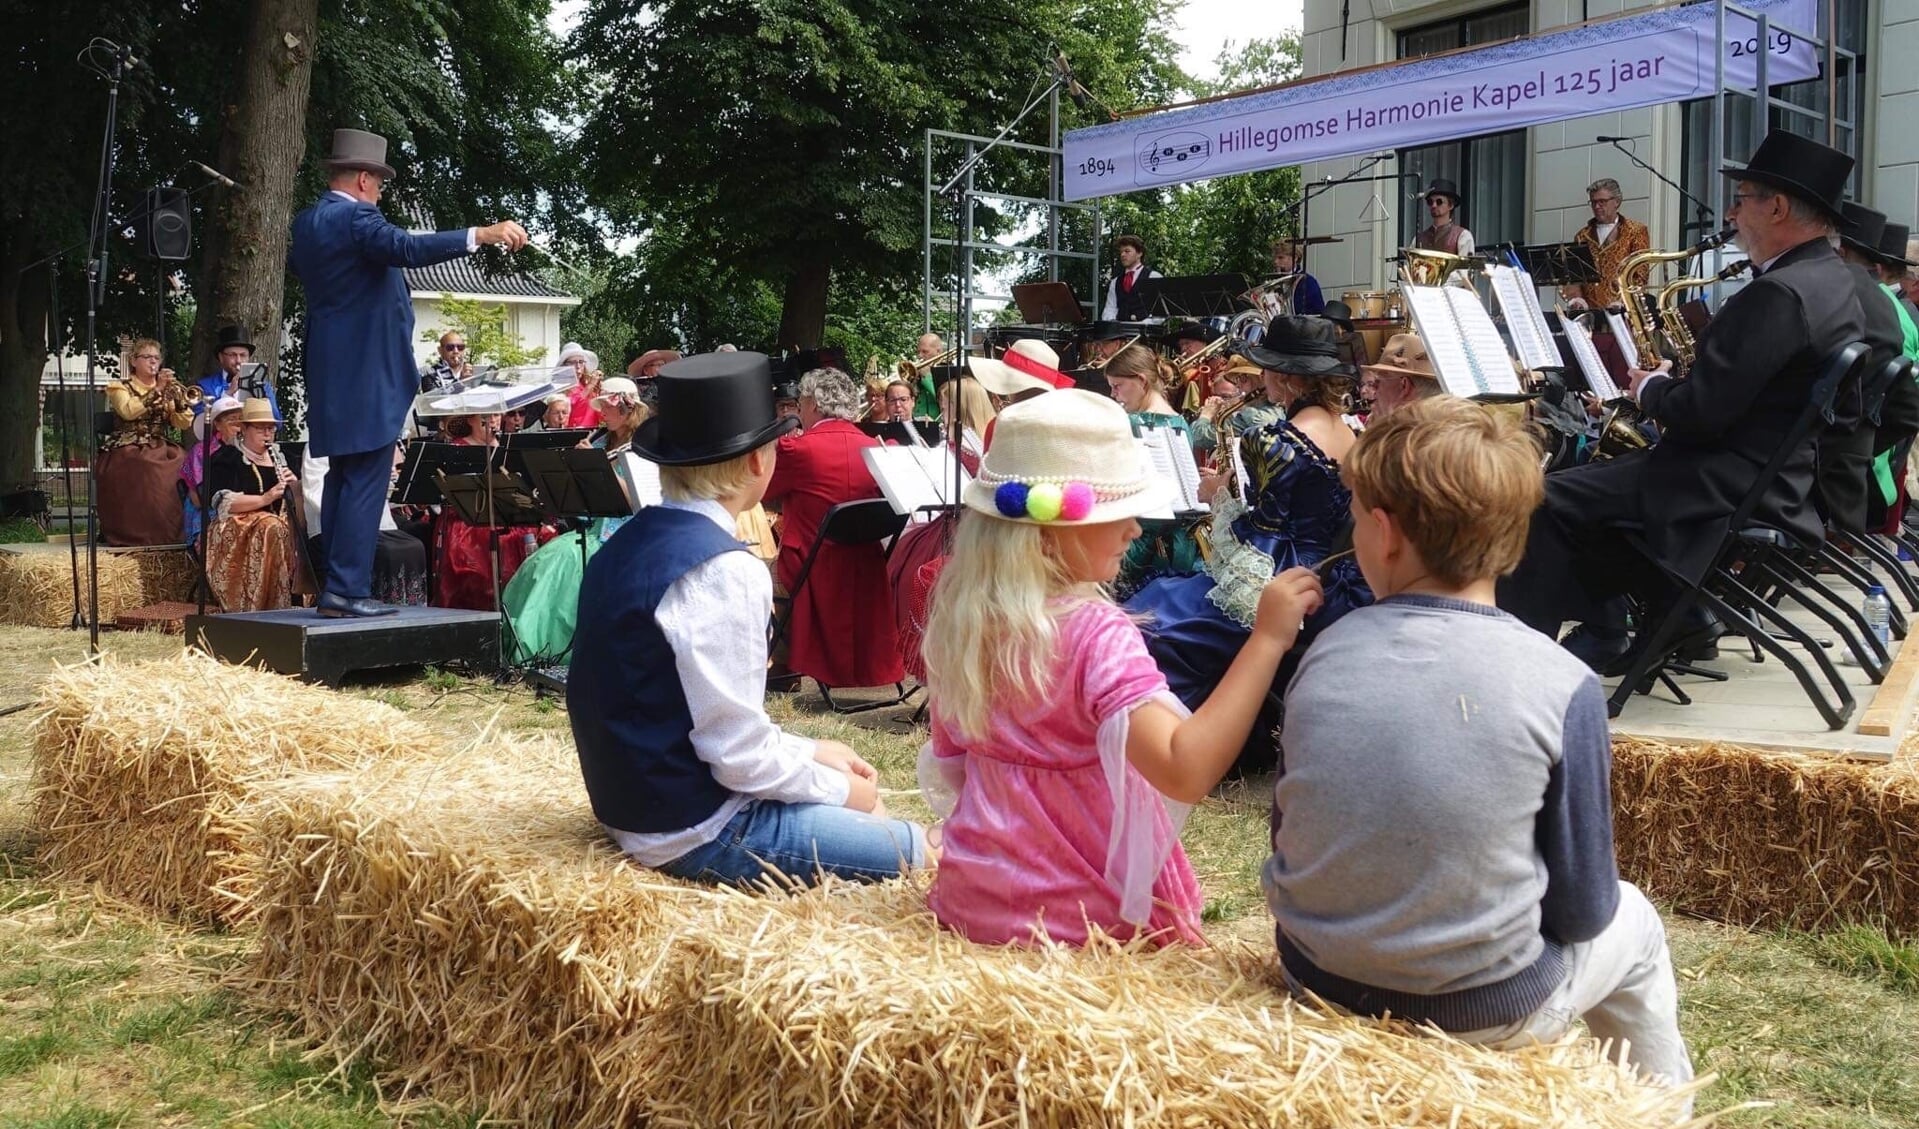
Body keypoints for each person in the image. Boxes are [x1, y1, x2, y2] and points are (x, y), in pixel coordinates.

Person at [1267, 397, 1693, 1108]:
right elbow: (1586, 905)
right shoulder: (1562, 680)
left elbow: (1291, 831)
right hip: (1485, 1011)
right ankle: (1661, 1111)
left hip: (1314, 975)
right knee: (1636, 921)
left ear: (1384, 532)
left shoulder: (1325, 650)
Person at [920, 388, 1324, 946]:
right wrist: (1266, 639)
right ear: (1049, 533)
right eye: (1118, 513)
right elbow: (1183, 768)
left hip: (974, 907)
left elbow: (952, 766)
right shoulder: (1094, 633)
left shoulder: (961, 621)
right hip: (1083, 926)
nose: (1135, 529)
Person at [1497, 130, 1867, 670]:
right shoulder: (1831, 281)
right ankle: (1677, 615)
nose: (1733, 213)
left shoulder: (1777, 295)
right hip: (1772, 476)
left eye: (1742, 199)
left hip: (1719, 482)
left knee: (1540, 497)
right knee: (1586, 491)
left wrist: (1650, 387)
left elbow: (1699, 415)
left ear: (1779, 207)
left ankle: (1521, 664)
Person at [568, 351, 931, 887]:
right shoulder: (724, 568)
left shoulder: (620, 547)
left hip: (634, 807)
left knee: (871, 815)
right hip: (699, 828)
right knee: (923, 849)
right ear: (760, 461)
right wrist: (840, 791)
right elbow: (737, 758)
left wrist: (811, 750)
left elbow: (705, 716)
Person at [289, 127, 528, 619]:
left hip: (331, 368)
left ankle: (338, 585)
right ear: (361, 179)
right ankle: (348, 591)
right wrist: (480, 235)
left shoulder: (308, 222)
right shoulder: (356, 219)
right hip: (366, 372)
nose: (380, 192)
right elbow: (406, 248)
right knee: (365, 480)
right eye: (378, 183)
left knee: (342, 476)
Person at [1125, 318, 1375, 769]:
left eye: (1266, 370)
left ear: (1284, 376)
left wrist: (1216, 492)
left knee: (1153, 613)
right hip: (1331, 576)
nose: (1261, 379)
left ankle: (1175, 743)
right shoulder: (1351, 433)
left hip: (1274, 573)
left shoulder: (1274, 438)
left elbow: (1266, 522)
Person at [764, 368, 903, 691]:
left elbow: (762, 492)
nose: (798, 410)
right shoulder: (876, 449)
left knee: (753, 571)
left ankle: (783, 666)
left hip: (811, 566)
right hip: (867, 566)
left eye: (799, 403)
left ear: (812, 404)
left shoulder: (798, 450)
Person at [503, 377, 655, 663]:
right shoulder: (601, 439)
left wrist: (596, 465)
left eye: (606, 407)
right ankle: (531, 646)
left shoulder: (644, 446)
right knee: (546, 561)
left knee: (567, 561)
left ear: (625, 409)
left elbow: (635, 499)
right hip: (592, 527)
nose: (601, 413)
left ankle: (562, 648)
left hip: (625, 531)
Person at [1103, 343, 1201, 598]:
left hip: (1140, 542)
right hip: (1180, 546)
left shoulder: (1129, 423)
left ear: (1141, 381)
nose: (1114, 395)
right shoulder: (1181, 423)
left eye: (1117, 386)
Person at [430, 412, 555, 610]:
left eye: (496, 415)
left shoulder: (508, 447)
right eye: (485, 416)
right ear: (470, 419)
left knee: (546, 533)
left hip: (509, 513)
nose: (492, 420)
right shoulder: (457, 449)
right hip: (469, 517)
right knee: (485, 541)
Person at [300, 441, 430, 608]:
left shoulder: (368, 442)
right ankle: (378, 602)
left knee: (416, 544)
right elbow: (316, 495)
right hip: (334, 529)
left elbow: (374, 495)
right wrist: (356, 515)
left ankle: (408, 607)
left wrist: (409, 498)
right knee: (391, 551)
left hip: (375, 526)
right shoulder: (318, 445)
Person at [204, 399, 304, 611]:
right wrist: (265, 499)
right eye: (260, 429)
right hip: (239, 526)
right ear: (244, 429)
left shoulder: (284, 458)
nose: (267, 434)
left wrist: (294, 486)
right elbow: (223, 503)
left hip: (277, 524)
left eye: (271, 428)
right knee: (272, 527)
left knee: (296, 528)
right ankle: (267, 605)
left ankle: (301, 598)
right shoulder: (227, 458)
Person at [97, 338, 193, 546]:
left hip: (159, 445)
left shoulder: (168, 387)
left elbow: (183, 424)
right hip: (127, 447)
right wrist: (156, 390)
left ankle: (177, 532)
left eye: (157, 358)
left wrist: (178, 402)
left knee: (184, 462)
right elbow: (128, 411)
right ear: (134, 361)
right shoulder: (120, 387)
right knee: (148, 468)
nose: (153, 362)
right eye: (147, 357)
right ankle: (142, 533)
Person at [1567, 179, 1652, 310]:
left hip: (1623, 313)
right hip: (1591, 315)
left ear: (1617, 202)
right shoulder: (1582, 236)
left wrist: (1625, 301)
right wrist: (1576, 299)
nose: (1597, 206)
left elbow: (1640, 275)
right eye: (1593, 202)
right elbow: (1574, 275)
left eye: (1602, 202)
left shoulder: (1635, 231)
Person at [183, 395, 244, 546]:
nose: (238, 425)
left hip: (245, 504)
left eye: (241, 419)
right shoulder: (201, 451)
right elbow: (199, 495)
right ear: (217, 424)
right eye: (231, 420)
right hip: (207, 507)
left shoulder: (249, 447)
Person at [195, 325, 281, 420]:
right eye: (232, 355)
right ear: (221, 357)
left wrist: (262, 399)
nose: (238, 360)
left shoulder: (263, 387)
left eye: (243, 355)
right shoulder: (205, 386)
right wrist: (228, 394)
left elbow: (277, 422)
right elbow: (200, 424)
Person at [1361, 333, 1444, 420]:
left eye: (1377, 383)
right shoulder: (1443, 426)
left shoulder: (1403, 431)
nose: (1374, 393)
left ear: (1404, 386)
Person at [936, 374, 995, 474]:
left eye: (944, 407)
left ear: (960, 408)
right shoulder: (996, 436)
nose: (942, 413)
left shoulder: (956, 447)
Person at [1100, 234, 1162, 321]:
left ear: (1139, 253)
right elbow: (1110, 309)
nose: (1122, 255)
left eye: (1127, 251)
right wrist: (1112, 322)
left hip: (1146, 332)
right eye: (1121, 252)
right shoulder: (1115, 282)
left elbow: (1160, 312)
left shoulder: (1153, 277)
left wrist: (1144, 324)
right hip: (1119, 332)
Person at [1414, 179, 1474, 256]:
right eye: (1430, 202)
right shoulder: (1418, 239)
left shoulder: (1463, 236)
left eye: (1439, 202)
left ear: (1451, 205)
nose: (1434, 205)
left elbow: (1465, 267)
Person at [1271, 240, 1326, 315]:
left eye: (1281, 258)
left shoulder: (1308, 282)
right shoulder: (1274, 283)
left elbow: (1318, 312)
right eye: (1275, 258)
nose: (1275, 261)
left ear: (1295, 258)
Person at [556, 342, 603, 429]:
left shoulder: (586, 386)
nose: (578, 366)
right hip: (573, 433)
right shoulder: (561, 387)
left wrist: (600, 393)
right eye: (573, 362)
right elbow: (572, 404)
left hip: (592, 433)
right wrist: (591, 385)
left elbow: (601, 415)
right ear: (564, 366)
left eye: (581, 362)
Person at [419, 330, 471, 395]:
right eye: (450, 347)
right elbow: (434, 399)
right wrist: (460, 381)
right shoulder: (429, 373)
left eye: (460, 347)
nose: (456, 351)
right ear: (440, 350)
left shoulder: (472, 370)